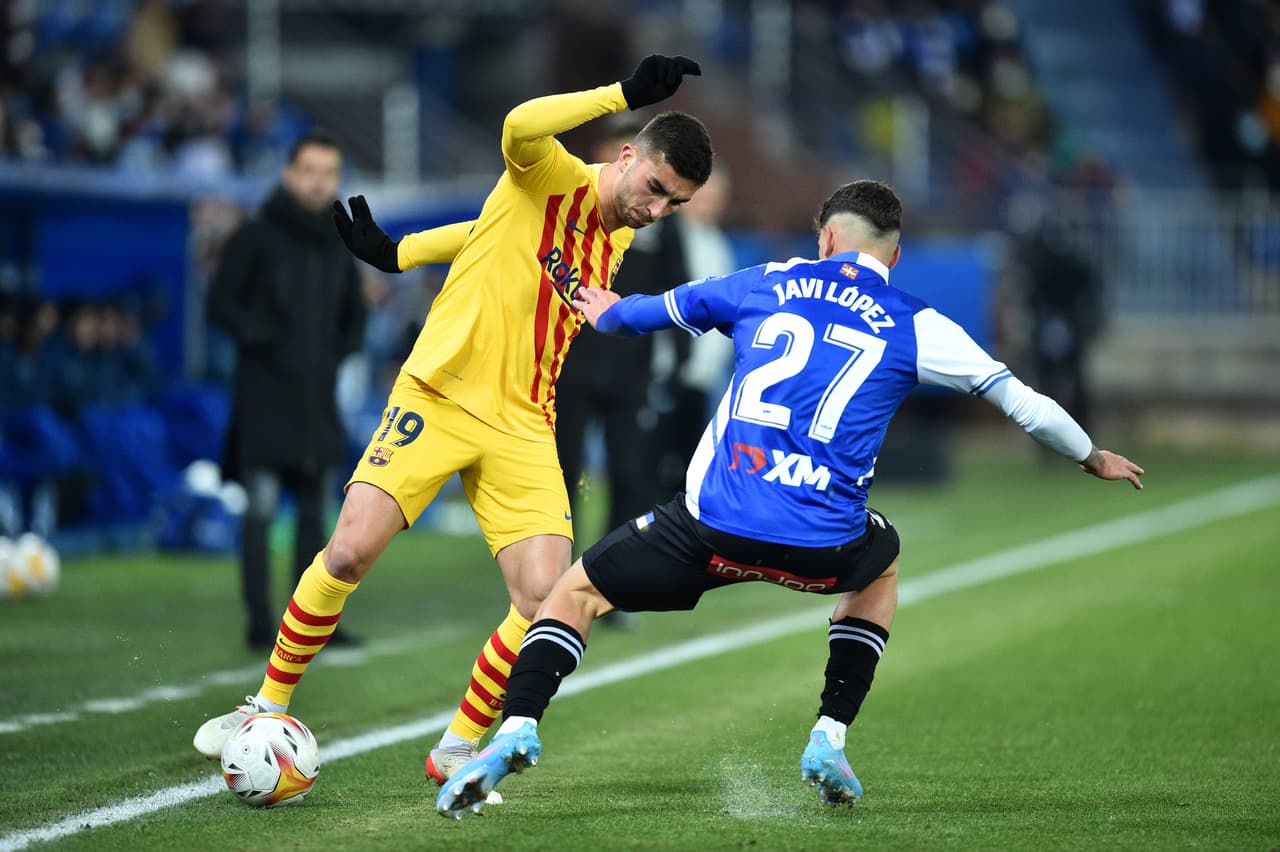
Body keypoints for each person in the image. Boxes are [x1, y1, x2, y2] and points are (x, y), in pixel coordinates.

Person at [434, 180, 1144, 818]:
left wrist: (603, 307)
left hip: (710, 527)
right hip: (823, 543)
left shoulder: (768, 281)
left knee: (574, 592)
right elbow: (1024, 404)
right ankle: (829, 737)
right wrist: (1092, 455)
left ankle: (521, 725)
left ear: (827, 239)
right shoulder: (918, 323)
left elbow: (638, 316)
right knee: (883, 562)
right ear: (890, 258)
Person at [193, 57, 714, 796]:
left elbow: (491, 230)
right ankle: (266, 706)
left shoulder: (619, 236)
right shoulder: (548, 171)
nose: (657, 210)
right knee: (346, 552)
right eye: (656, 189)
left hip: (525, 421)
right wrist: (622, 93)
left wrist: (402, 251)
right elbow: (518, 124)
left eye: (675, 205)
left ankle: (457, 745)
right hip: (438, 393)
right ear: (626, 155)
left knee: (545, 598)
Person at [207, 130, 367, 650]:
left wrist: (333, 355)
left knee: (317, 519)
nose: (320, 182)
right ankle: (259, 626)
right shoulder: (255, 236)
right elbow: (220, 306)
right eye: (310, 171)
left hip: (315, 400)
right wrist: (266, 339)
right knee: (259, 511)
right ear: (289, 175)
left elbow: (354, 317)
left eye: (329, 173)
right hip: (264, 400)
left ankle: (315, 626)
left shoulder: (337, 243)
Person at [555, 114, 691, 629]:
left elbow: (677, 289)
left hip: (631, 371)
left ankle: (608, 588)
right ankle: (553, 585)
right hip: (570, 366)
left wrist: (676, 360)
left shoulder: (657, 222)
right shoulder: (573, 206)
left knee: (630, 477)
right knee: (561, 478)